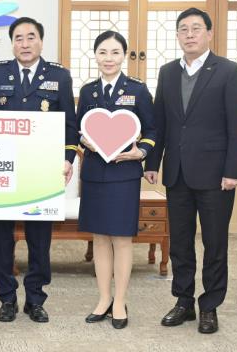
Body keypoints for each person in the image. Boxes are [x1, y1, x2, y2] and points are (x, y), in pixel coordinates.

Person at [144, 7, 237, 334]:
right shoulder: (167, 72)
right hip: (177, 172)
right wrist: (152, 163)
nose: (189, 35)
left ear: (209, 33)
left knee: (215, 244)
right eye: (183, 29)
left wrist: (233, 170)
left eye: (196, 28)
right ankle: (183, 301)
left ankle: (210, 306)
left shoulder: (229, 71)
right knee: (180, 242)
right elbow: (160, 121)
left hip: (217, 176)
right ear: (178, 35)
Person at [0, 16, 79, 323]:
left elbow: (70, 125)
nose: (25, 44)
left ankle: (35, 299)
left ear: (41, 41)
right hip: (2, 172)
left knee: (39, 240)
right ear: (12, 43)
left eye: (31, 37)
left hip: (41, 172)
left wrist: (68, 158)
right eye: (19, 38)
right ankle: (7, 299)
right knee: (1, 239)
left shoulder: (59, 76)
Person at [76, 30, 156, 329]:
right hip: (95, 173)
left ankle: (120, 301)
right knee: (99, 238)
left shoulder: (137, 89)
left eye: (115, 52)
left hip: (124, 175)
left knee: (121, 239)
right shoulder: (88, 91)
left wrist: (141, 152)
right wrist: (84, 141)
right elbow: (79, 128)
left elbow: (152, 130)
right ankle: (103, 298)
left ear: (124, 55)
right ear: (95, 56)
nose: (108, 58)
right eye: (102, 52)